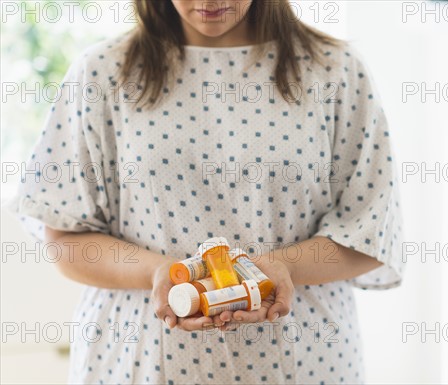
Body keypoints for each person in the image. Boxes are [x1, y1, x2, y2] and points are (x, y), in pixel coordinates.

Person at [8, 1, 405, 383]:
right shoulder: (102, 73)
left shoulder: (335, 71)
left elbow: (369, 231)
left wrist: (284, 268)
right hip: (137, 359)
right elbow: (64, 237)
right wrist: (156, 273)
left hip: (305, 357)